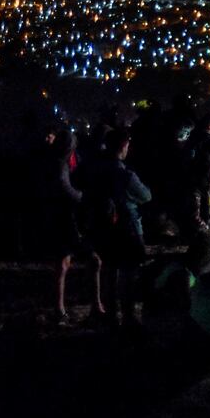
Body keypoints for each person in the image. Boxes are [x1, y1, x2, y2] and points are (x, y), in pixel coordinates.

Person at [81, 128, 152, 326]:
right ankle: (128, 316)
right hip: (128, 228)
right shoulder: (124, 174)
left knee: (110, 272)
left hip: (105, 228)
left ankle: (112, 314)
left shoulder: (96, 170)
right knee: (129, 274)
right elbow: (146, 196)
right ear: (123, 146)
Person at [46, 130, 105, 325]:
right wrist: (83, 196)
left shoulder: (65, 161)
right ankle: (94, 307)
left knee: (63, 265)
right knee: (92, 261)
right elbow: (65, 189)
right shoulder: (60, 164)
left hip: (64, 218)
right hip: (66, 219)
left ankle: (61, 309)